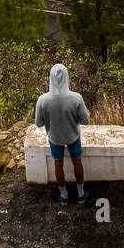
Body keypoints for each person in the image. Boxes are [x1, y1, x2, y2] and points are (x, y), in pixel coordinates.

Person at [35, 63, 91, 205]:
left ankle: (64, 196)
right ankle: (80, 194)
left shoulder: (43, 100)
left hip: (54, 137)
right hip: (73, 136)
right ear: (67, 77)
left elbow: (39, 124)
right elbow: (85, 121)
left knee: (57, 165)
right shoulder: (76, 98)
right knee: (77, 161)